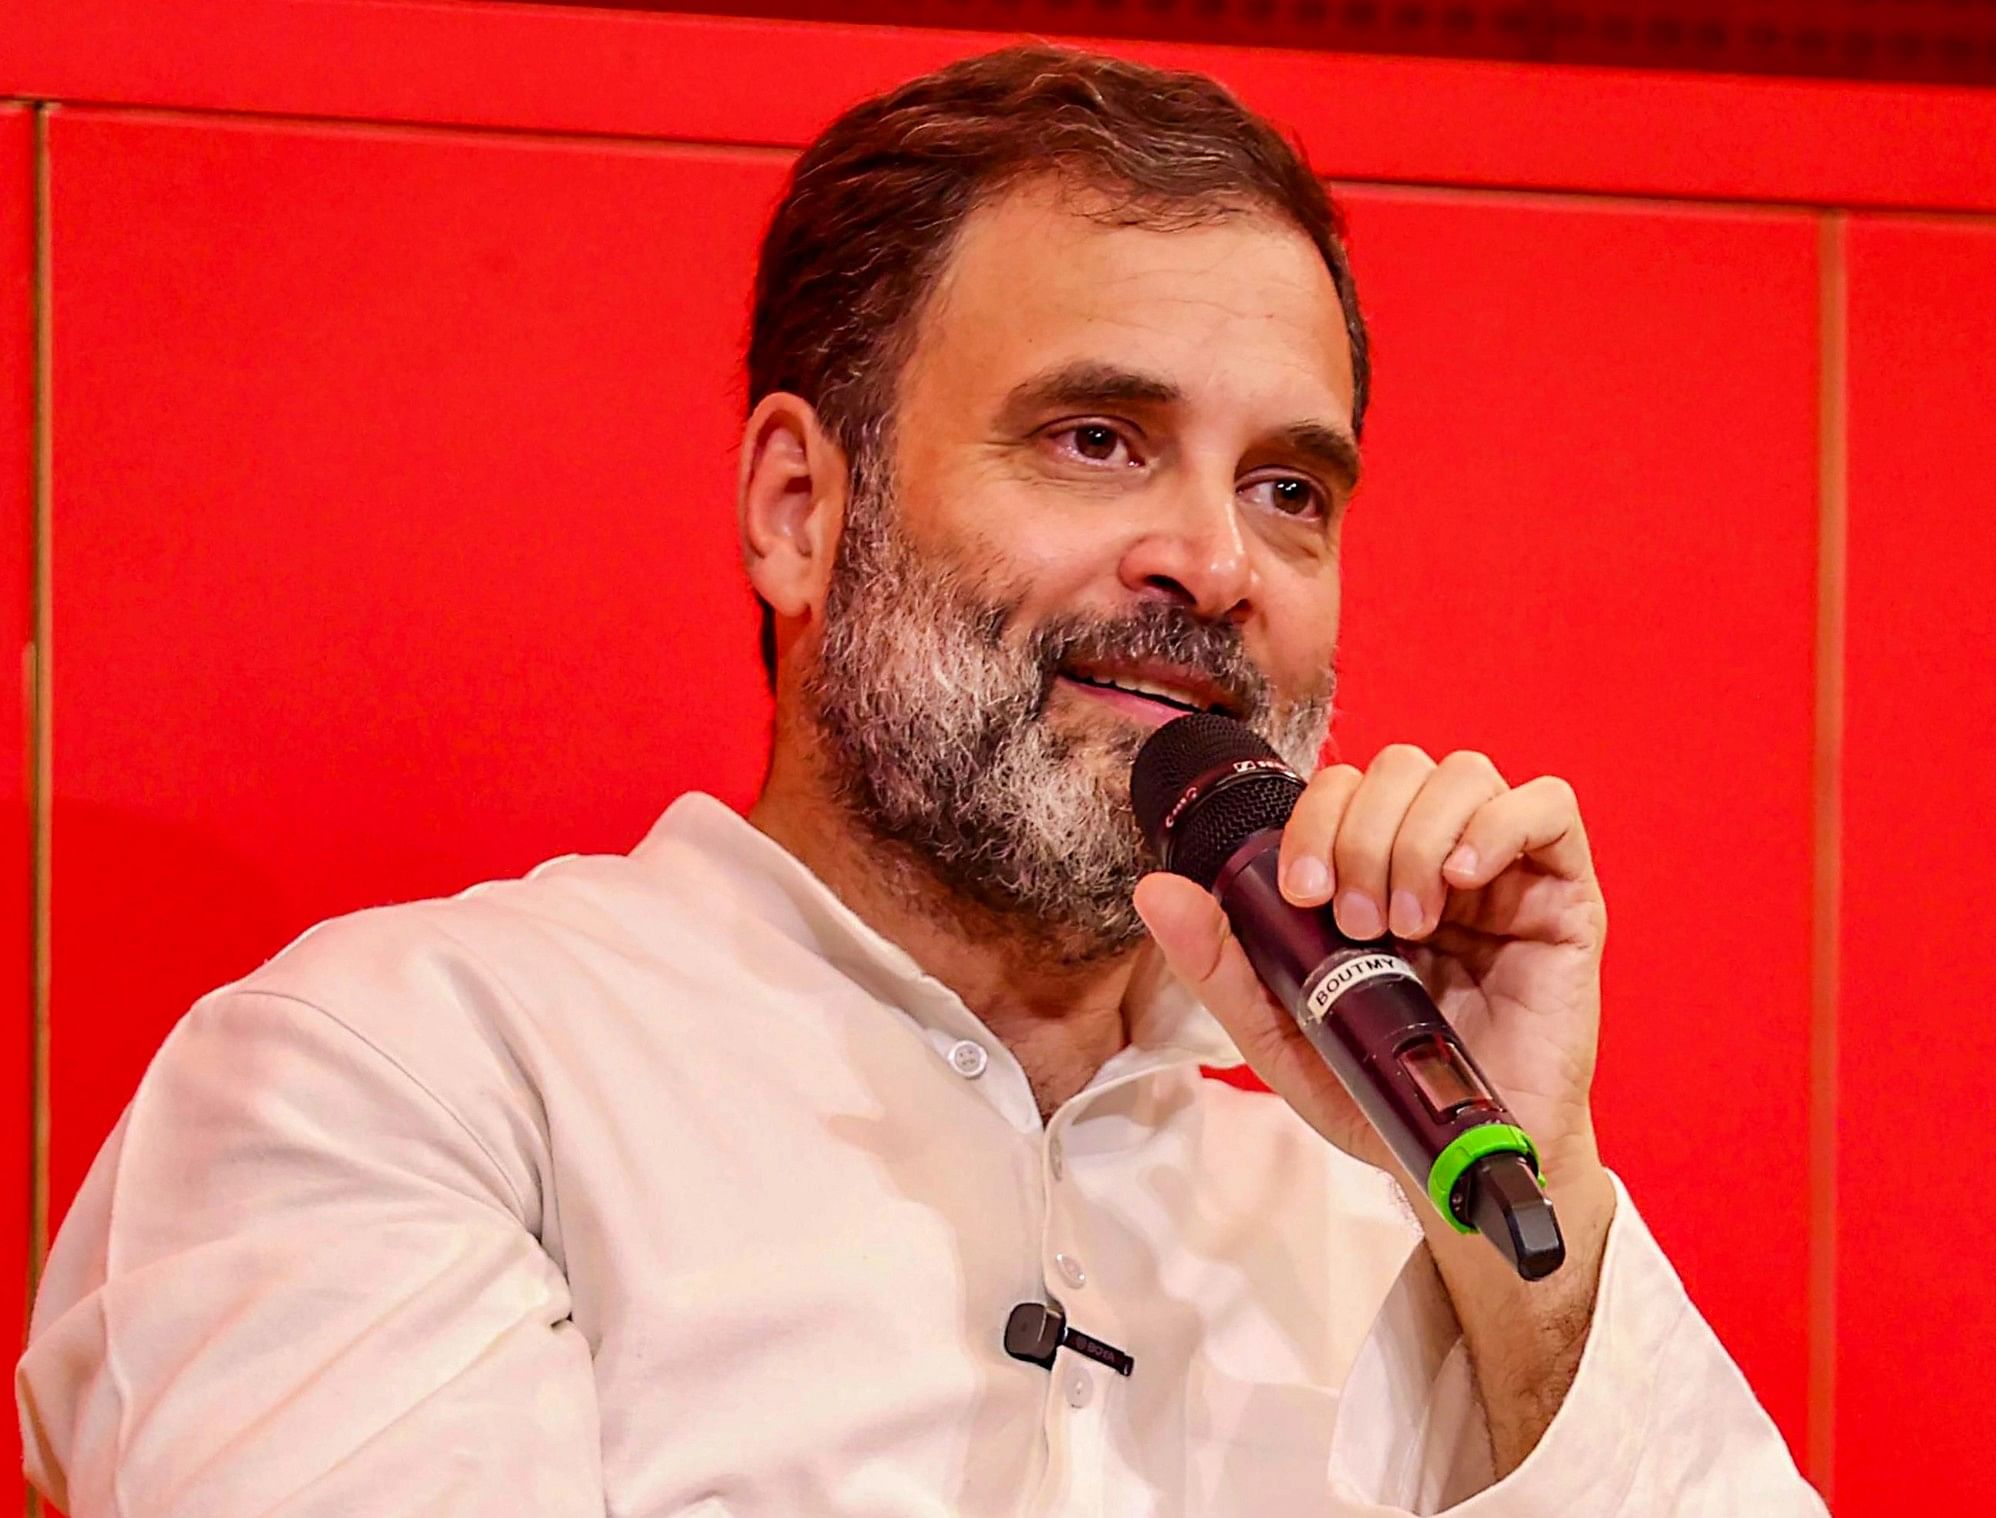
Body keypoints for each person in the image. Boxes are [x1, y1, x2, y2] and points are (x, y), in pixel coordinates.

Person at [19, 45, 1819, 1517]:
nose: (1216, 559)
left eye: (1291, 487)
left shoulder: (1405, 1191)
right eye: (1095, 437)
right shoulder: (406, 1071)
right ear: (802, 509)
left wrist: (1530, 1197)